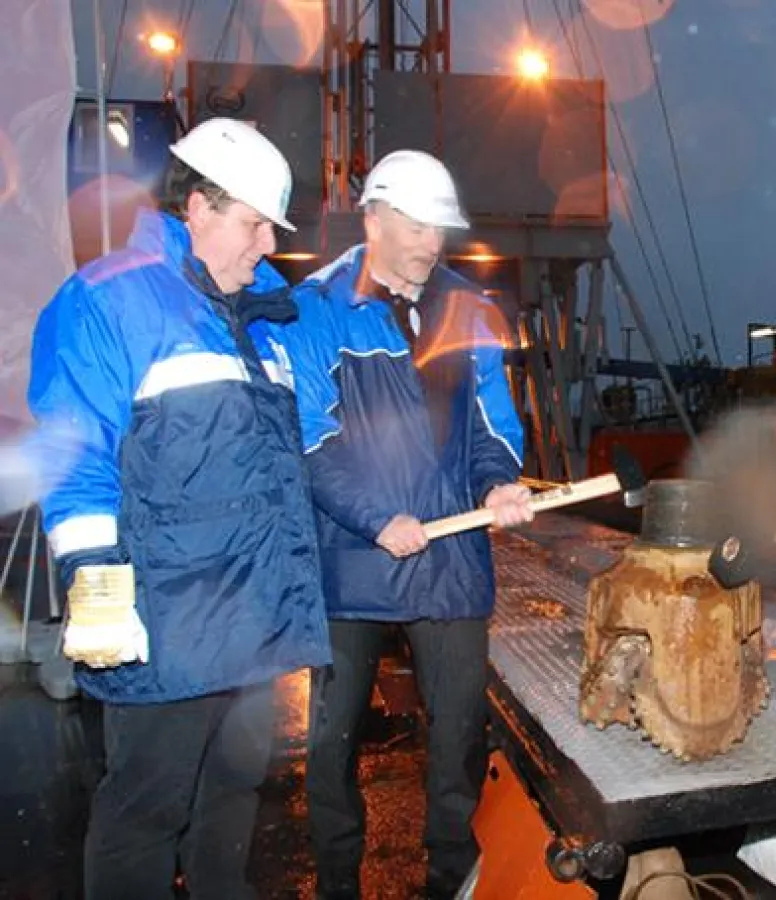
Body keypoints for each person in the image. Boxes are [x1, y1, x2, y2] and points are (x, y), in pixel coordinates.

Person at [27, 117, 330, 900]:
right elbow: (74, 453)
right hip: (167, 623)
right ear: (197, 207)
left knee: (232, 800)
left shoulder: (258, 320)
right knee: (145, 814)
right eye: (254, 223)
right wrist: (96, 586)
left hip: (251, 625)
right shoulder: (109, 301)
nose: (268, 243)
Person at [281, 149, 532, 900]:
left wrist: (499, 481)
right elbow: (310, 437)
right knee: (332, 738)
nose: (431, 242)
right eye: (417, 226)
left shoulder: (468, 308)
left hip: (450, 554)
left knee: (458, 735)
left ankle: (450, 879)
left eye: (439, 229)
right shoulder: (317, 307)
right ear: (376, 218)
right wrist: (374, 517)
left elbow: (492, 421)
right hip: (353, 556)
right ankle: (338, 882)